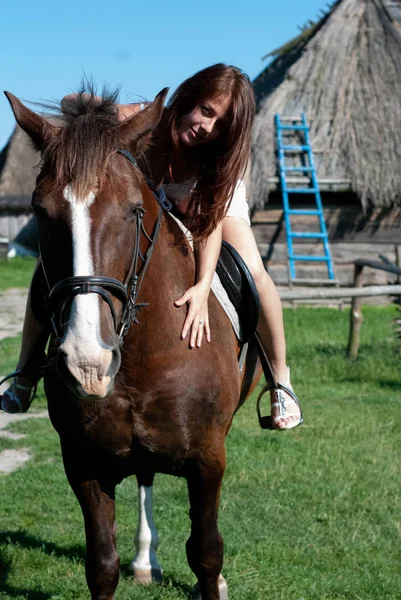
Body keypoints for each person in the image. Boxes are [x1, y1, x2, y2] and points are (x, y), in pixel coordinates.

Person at [0, 64, 302, 430]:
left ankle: (281, 380)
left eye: (220, 123)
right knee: (47, 271)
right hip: (147, 210)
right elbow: (70, 101)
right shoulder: (146, 121)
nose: (208, 126)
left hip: (209, 210)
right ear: (189, 97)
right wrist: (101, 112)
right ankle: (24, 373)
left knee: (254, 270)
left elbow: (208, 229)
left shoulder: (216, 158)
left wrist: (203, 286)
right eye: (206, 110)